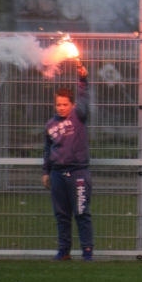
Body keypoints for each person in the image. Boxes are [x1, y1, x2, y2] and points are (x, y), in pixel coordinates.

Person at [42, 63, 94, 261]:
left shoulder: (79, 116)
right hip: (57, 174)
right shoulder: (50, 125)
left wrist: (82, 79)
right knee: (61, 215)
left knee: (81, 213)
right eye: (58, 104)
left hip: (79, 172)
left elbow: (84, 98)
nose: (62, 108)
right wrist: (46, 172)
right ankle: (64, 250)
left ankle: (87, 251)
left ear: (72, 105)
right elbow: (47, 149)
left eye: (65, 104)